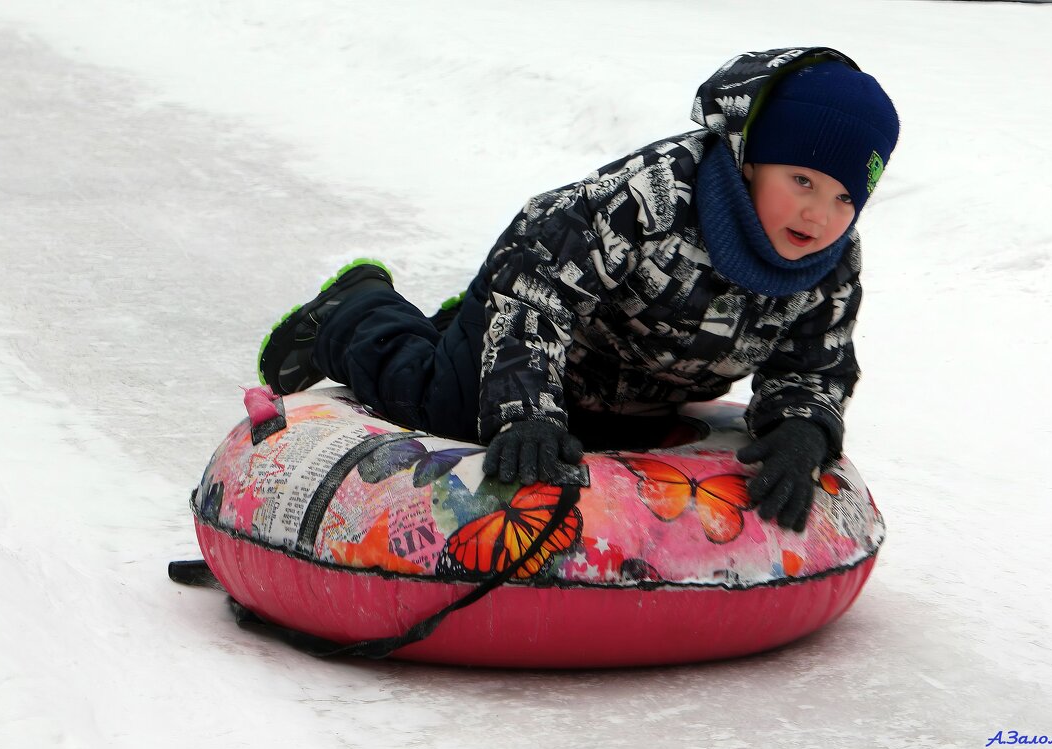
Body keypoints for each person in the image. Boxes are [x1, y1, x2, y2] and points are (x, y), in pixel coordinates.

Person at [257, 46, 900, 532]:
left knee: (606, 437)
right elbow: (539, 290)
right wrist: (526, 411)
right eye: (803, 181)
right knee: (449, 410)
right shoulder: (652, 196)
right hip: (533, 315)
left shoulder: (829, 262)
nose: (819, 214)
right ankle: (357, 311)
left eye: (845, 197)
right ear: (751, 156)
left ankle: (461, 340)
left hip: (645, 382)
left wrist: (802, 428)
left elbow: (816, 362)